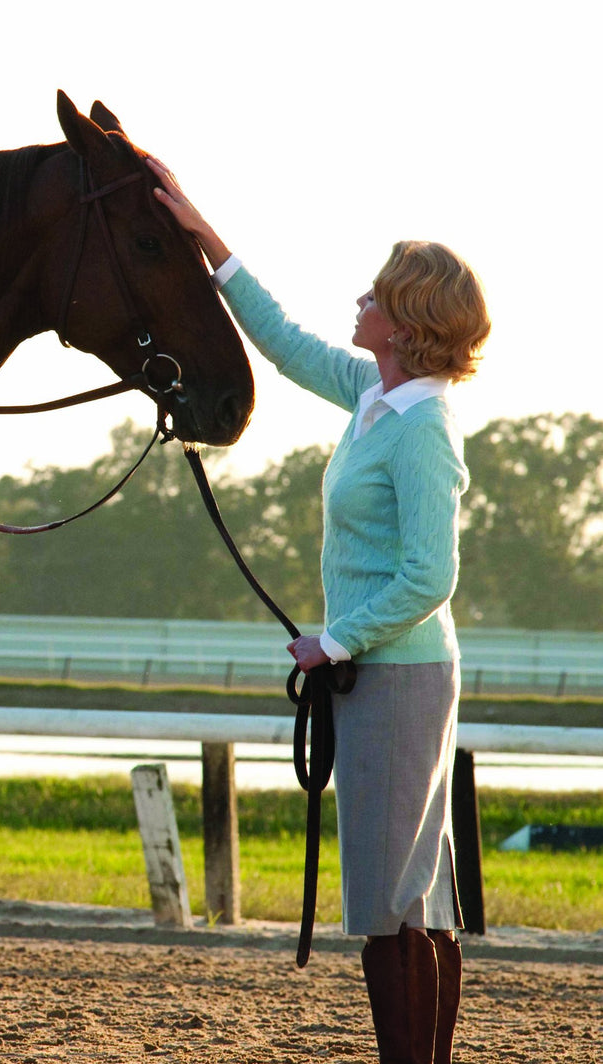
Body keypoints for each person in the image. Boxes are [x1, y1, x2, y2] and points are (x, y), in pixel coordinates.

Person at [147, 155, 490, 1064]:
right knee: (417, 895)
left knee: (389, 900)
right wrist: (200, 236)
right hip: (391, 668)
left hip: (398, 669)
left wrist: (334, 639)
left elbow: (429, 575)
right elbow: (284, 339)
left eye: (375, 293)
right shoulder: (374, 395)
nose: (360, 300)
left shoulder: (420, 429)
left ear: (407, 320)